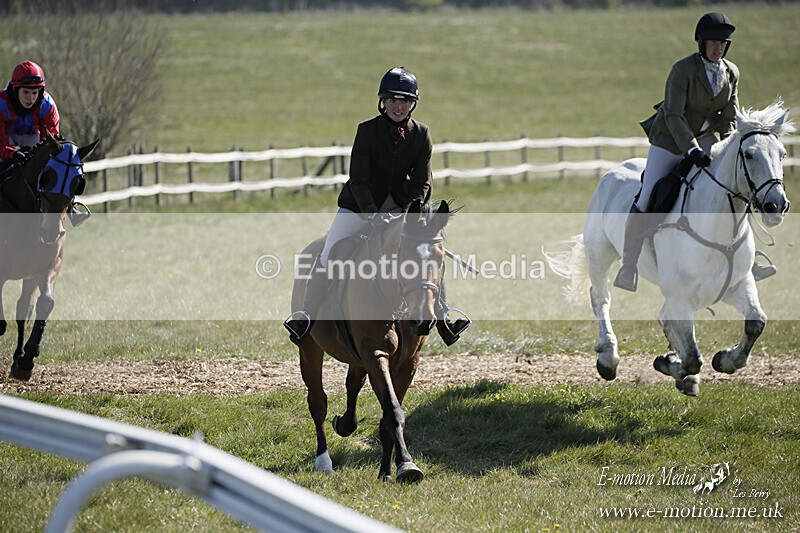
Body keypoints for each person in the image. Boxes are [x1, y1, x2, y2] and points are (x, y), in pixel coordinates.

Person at [284, 66, 470, 346]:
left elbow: (423, 181)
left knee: (428, 254)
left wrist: (410, 214)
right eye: (393, 100)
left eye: (404, 101)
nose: (398, 106)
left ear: (412, 104)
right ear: (383, 102)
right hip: (359, 207)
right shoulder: (367, 131)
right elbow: (358, 179)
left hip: (403, 211)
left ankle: (444, 318)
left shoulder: (422, 134)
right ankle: (306, 315)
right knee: (331, 251)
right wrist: (373, 215)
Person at [613, 12, 776, 292]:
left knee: (738, 188)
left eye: (723, 43)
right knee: (649, 195)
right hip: (670, 142)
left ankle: (749, 260)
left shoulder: (731, 72)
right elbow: (674, 115)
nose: (718, 47)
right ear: (701, 43)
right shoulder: (683, 70)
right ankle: (629, 265)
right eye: (713, 42)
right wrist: (691, 149)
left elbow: (729, 114)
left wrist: (729, 145)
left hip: (706, 140)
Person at [0, 60, 61, 165]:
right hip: (5, 138)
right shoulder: (2, 104)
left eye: (34, 93)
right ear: (15, 90)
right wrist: (13, 154)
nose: (31, 98)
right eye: (26, 92)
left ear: (40, 91)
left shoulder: (47, 105)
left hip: (31, 136)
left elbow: (50, 140)